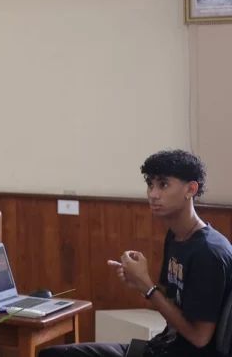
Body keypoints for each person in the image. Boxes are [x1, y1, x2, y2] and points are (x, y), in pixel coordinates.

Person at [41, 150, 232, 357]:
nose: (153, 194)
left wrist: (147, 286)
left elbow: (199, 338)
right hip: (161, 347)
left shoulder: (208, 252)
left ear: (190, 189)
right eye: (150, 184)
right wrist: (139, 282)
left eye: (163, 185)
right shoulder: (176, 236)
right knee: (52, 354)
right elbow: (171, 304)